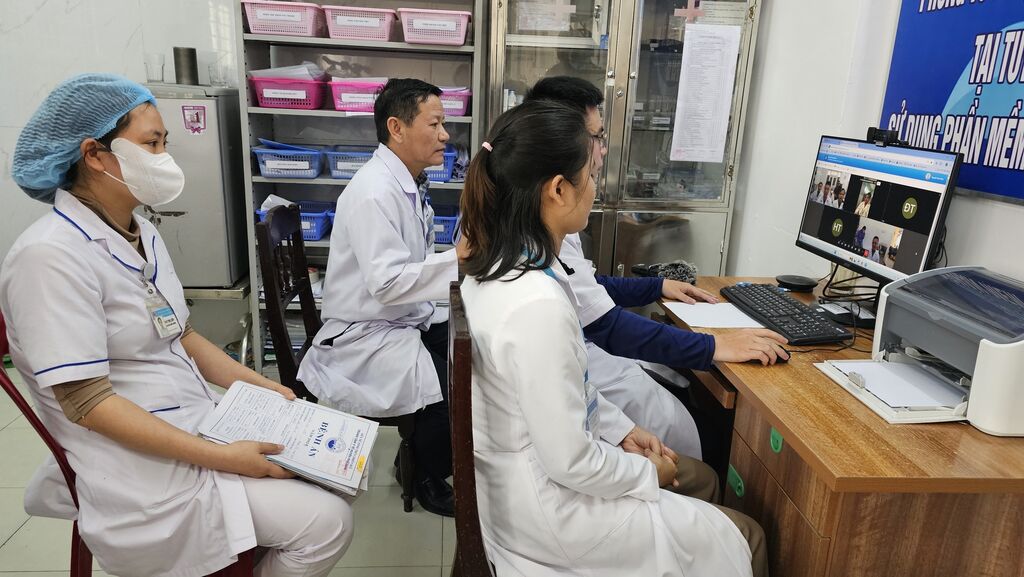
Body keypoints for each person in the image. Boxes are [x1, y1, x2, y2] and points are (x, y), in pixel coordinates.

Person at [1, 74, 352, 577]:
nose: (165, 158)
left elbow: (181, 336)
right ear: (94, 154)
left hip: (192, 418)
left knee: (334, 470)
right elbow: (87, 402)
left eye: (165, 143)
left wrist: (269, 391)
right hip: (140, 468)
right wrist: (225, 458)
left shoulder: (140, 230)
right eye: (151, 144)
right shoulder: (48, 257)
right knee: (328, 523)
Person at [458, 99, 767, 577]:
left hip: (521, 483)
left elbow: (567, 389)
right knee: (748, 535)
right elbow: (570, 463)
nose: (596, 185)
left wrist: (622, 429)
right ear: (558, 189)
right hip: (554, 514)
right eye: (590, 174)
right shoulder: (536, 304)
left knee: (702, 478)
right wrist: (646, 472)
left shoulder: (504, 266)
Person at [524, 77, 789, 461]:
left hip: (579, 372)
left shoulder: (540, 215)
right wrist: (717, 345)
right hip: (583, 382)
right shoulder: (539, 233)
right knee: (700, 429)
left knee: (681, 389)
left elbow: (584, 286)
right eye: (597, 137)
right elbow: (606, 325)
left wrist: (656, 287)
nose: (603, 150)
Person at [297, 79, 466, 517]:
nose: (445, 134)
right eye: (435, 123)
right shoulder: (374, 192)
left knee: (470, 355)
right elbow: (388, 284)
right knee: (452, 388)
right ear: (397, 128)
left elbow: (412, 263)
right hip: (366, 332)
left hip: (398, 317)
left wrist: (454, 264)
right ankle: (425, 475)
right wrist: (459, 261)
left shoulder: (405, 183)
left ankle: (424, 457)